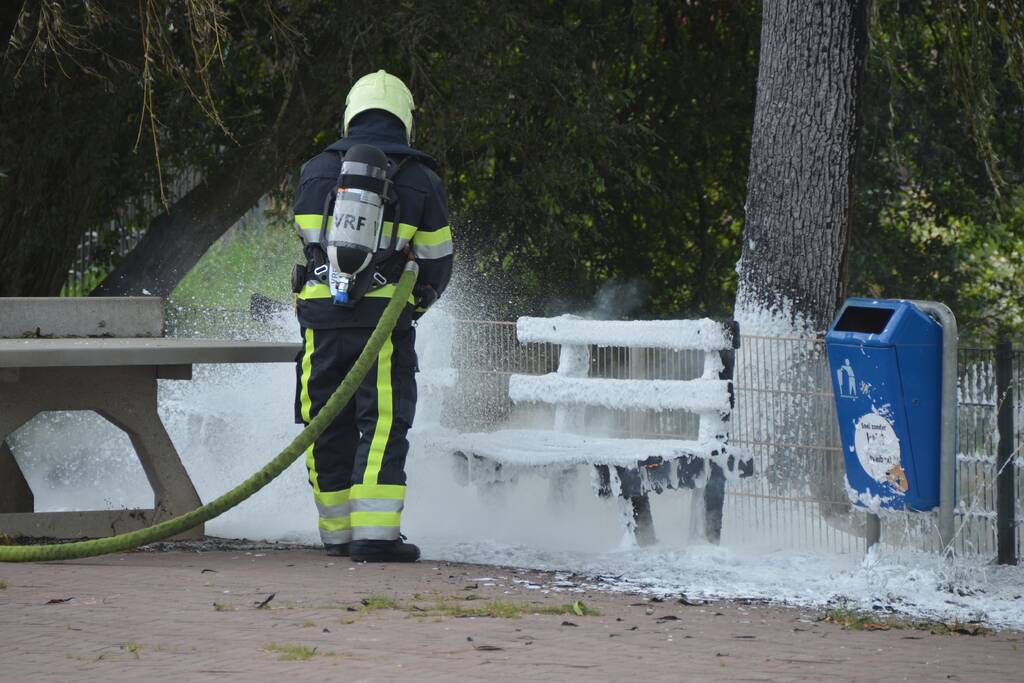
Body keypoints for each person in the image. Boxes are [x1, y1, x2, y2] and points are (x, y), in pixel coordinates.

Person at [291, 70, 453, 562]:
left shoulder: (316, 170)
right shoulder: (421, 179)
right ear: (403, 118)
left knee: (323, 418)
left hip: (320, 321)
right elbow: (437, 261)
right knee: (381, 422)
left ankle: (336, 534)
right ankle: (376, 537)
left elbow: (306, 237)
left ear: (351, 112)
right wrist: (412, 307)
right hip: (382, 325)